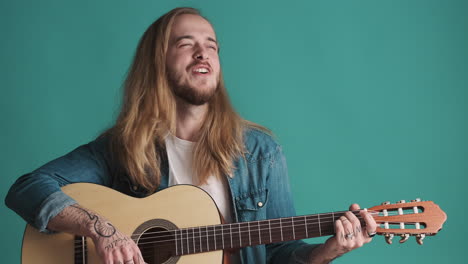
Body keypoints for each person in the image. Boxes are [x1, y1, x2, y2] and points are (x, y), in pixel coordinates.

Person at [5, 7, 377, 264]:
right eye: (186, 44)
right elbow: (27, 187)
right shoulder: (123, 148)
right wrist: (100, 229)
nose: (204, 53)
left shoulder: (260, 152)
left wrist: (324, 253)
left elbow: (278, 254)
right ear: (157, 62)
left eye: (212, 46)